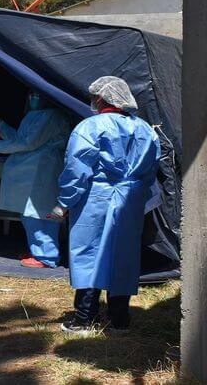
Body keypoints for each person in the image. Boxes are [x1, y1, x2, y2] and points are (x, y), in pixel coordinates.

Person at [53, 76, 160, 334]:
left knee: (90, 253)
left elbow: (77, 170)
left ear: (101, 99)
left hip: (95, 199)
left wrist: (64, 202)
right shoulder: (145, 129)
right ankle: (119, 319)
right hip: (130, 201)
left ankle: (83, 319)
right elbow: (151, 169)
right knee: (124, 256)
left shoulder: (90, 127)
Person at [0, 92, 70, 268]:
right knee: (29, 215)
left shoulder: (52, 116)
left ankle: (47, 256)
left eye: (37, 95)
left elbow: (29, 143)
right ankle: (37, 251)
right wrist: (1, 125)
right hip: (30, 171)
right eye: (30, 94)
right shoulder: (35, 115)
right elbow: (20, 139)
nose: (32, 98)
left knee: (41, 213)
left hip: (43, 170)